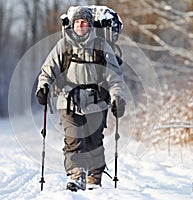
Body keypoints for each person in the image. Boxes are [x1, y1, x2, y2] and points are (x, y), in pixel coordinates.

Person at [36, 6, 126, 191]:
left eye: (84, 22)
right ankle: (77, 175)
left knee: (94, 141)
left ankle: (94, 176)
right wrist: (43, 88)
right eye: (77, 22)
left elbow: (115, 76)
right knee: (74, 139)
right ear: (72, 25)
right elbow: (48, 70)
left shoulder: (102, 46)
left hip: (97, 101)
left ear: (90, 25)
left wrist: (118, 98)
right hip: (68, 101)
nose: (80, 25)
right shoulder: (63, 45)